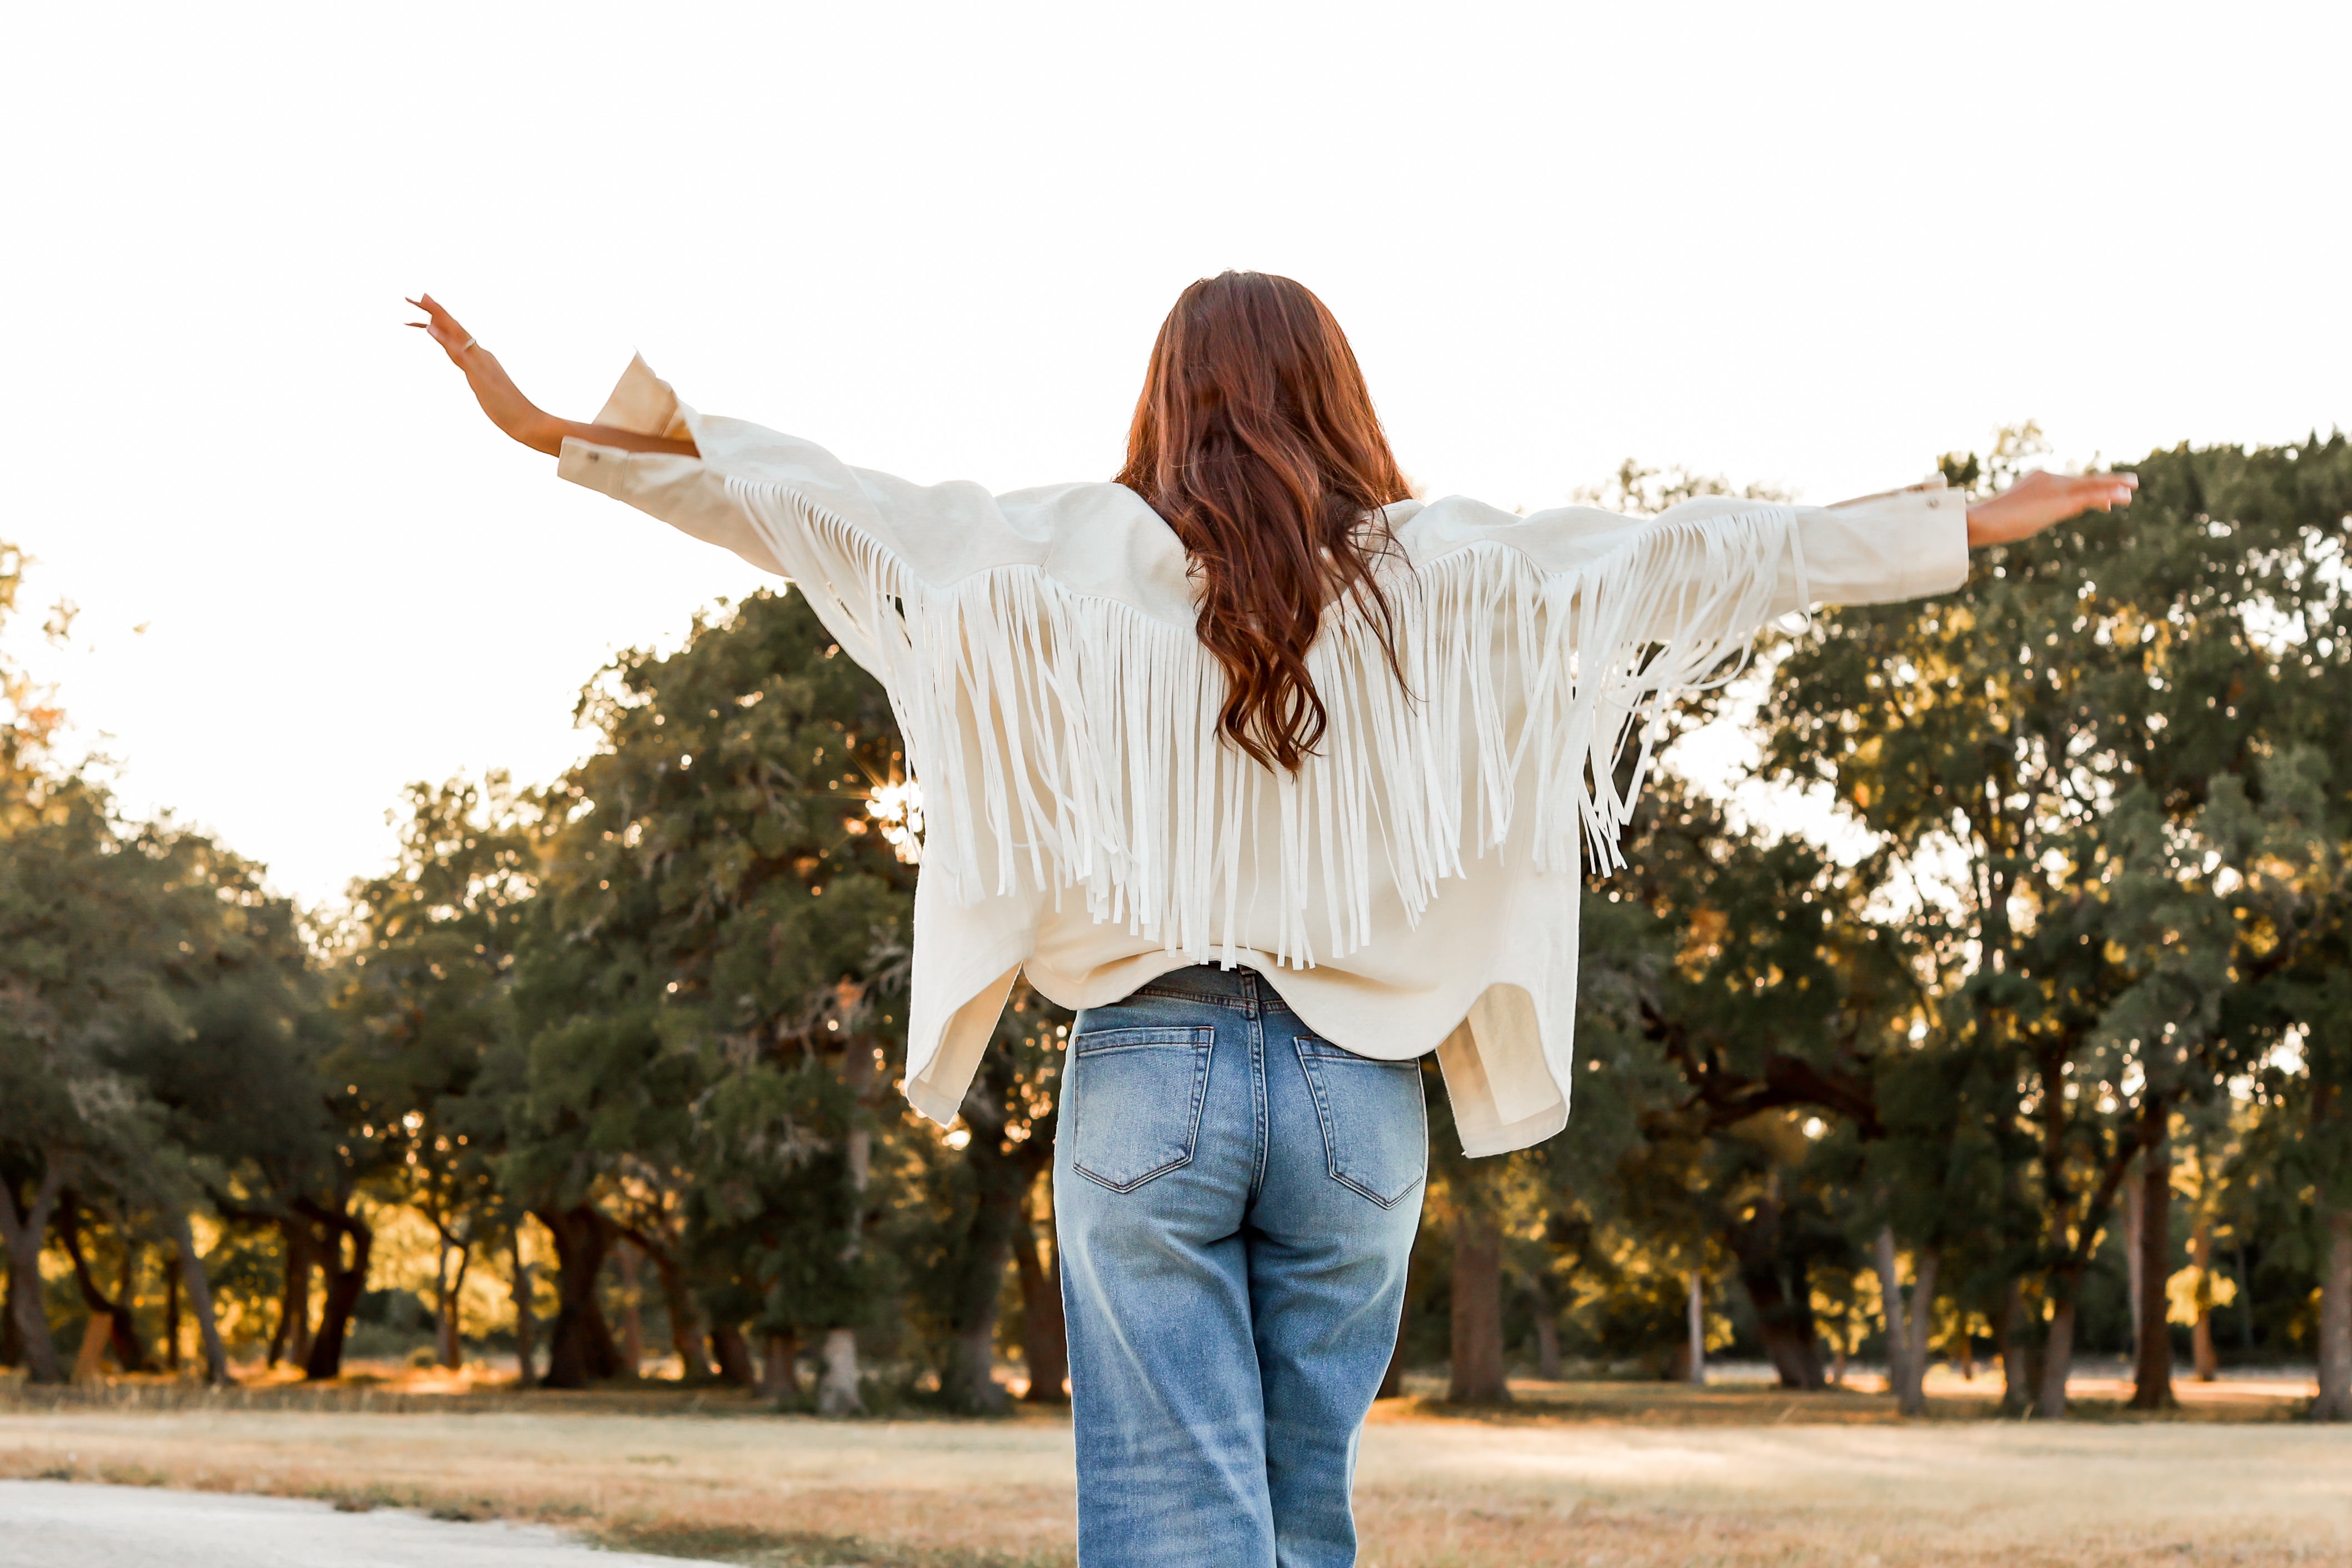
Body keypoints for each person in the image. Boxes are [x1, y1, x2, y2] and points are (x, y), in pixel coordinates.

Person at [412, 274, 2132, 1566]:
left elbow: (814, 503)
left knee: (1178, 1522)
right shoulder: (1445, 567)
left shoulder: (1067, 549)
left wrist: (558, 425)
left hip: (1151, 1071)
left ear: (1166, 399)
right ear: (1338, 391)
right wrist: (1962, 523)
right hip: (1356, 1101)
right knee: (1299, 1524)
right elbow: (1708, 553)